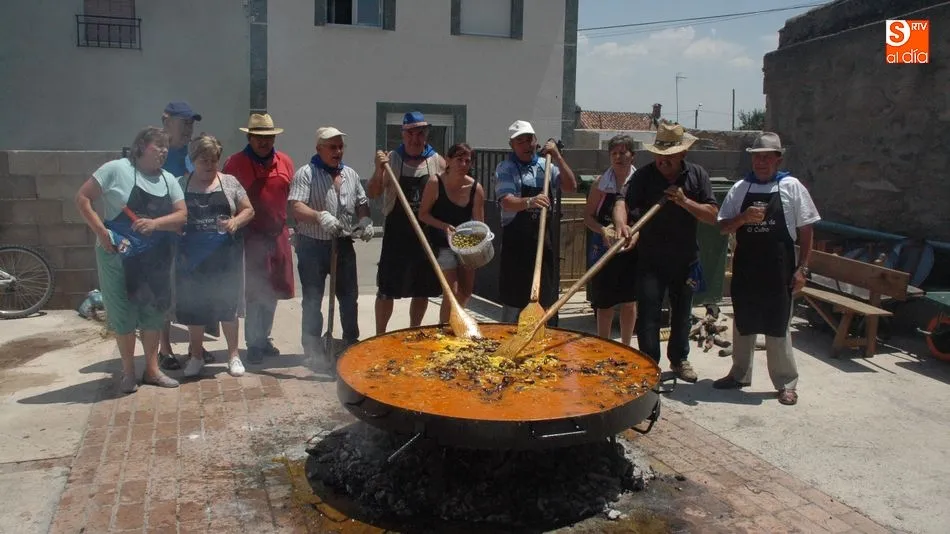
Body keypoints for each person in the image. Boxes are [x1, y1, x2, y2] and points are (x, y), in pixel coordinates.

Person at [75, 127, 187, 393]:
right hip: (118, 255)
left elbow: (182, 215)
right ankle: (128, 373)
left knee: (152, 313)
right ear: (140, 147)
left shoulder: (168, 179)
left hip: (155, 257)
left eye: (166, 147)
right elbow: (82, 198)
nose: (163, 151)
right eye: (157, 146)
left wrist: (156, 223)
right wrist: (101, 232)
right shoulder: (116, 169)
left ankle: (152, 370)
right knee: (124, 314)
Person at [713, 132, 820, 406]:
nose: (761, 162)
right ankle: (738, 374)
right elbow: (723, 226)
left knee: (778, 325)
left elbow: (806, 229)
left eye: (767, 157)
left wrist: (803, 269)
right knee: (744, 322)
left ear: (778, 159)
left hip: (779, 267)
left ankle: (786, 383)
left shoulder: (792, 187)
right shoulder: (739, 188)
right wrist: (744, 218)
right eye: (757, 157)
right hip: (747, 266)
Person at [612, 123, 718, 383]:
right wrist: (623, 225)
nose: (663, 161)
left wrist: (685, 201)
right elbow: (622, 201)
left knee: (682, 313)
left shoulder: (697, 176)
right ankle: (649, 364)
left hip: (685, 259)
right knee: (648, 314)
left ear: (682, 154)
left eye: (669, 156)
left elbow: (713, 216)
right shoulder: (644, 177)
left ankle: (680, 359)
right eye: (659, 155)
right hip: (651, 259)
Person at [289, 126, 373, 372]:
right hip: (312, 245)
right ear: (319, 149)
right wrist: (319, 216)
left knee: (349, 299)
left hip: (343, 244)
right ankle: (313, 348)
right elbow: (296, 207)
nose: (338, 151)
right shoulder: (306, 174)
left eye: (340, 146)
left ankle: (349, 344)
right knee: (313, 300)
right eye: (332, 147)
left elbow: (362, 203)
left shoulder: (351, 174)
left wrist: (366, 221)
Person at [176, 135, 255, 379]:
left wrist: (235, 221)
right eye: (203, 160)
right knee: (195, 308)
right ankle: (197, 357)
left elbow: (249, 210)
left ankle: (233, 356)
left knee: (227, 307)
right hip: (192, 260)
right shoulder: (181, 184)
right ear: (193, 160)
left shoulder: (229, 182)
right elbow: (173, 215)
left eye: (213, 160)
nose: (209, 165)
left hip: (225, 258)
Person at [222, 113, 295, 363]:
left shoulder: (285, 161)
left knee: (272, 290)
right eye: (259, 138)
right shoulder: (234, 163)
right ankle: (253, 343)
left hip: (278, 235)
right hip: (250, 237)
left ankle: (264, 338)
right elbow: (226, 200)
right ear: (249, 137)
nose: (265, 142)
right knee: (255, 291)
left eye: (269, 137)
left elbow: (290, 196)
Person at [367, 112, 445, 334]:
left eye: (420, 133)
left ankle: (413, 331)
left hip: (425, 234)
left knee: (421, 289)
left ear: (426, 135)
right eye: (410, 133)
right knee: (386, 289)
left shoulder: (437, 162)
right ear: (403, 134)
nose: (415, 138)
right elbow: (373, 192)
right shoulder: (391, 159)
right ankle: (379, 334)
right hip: (396, 234)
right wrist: (378, 168)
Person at [495, 120, 577, 325]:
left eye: (529, 140)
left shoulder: (546, 165)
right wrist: (530, 201)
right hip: (516, 247)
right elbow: (506, 202)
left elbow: (570, 186)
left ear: (536, 141)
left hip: (543, 245)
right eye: (520, 141)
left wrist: (557, 156)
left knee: (544, 301)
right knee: (513, 304)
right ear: (512, 145)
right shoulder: (506, 168)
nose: (526, 145)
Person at [418, 143, 486, 325]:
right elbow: (423, 214)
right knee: (452, 292)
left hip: (466, 245)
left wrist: (479, 244)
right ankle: (443, 329)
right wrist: (444, 226)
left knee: (466, 292)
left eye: (467, 161)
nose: (464, 164)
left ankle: (454, 323)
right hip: (442, 244)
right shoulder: (435, 183)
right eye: (459, 159)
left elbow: (480, 224)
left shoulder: (476, 189)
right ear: (448, 160)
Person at [158, 101, 203, 370]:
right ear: (166, 121)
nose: (189, 129)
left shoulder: (190, 155)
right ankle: (164, 349)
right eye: (184, 122)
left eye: (191, 124)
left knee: (192, 293)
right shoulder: (157, 153)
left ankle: (195, 347)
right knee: (164, 295)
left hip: (190, 237)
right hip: (163, 238)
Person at [584, 134, 637, 345]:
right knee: (603, 303)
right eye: (614, 153)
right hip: (603, 249)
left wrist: (634, 232)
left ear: (632, 156)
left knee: (629, 302)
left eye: (623, 153)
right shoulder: (600, 184)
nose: (618, 157)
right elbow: (587, 217)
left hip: (631, 250)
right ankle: (603, 346)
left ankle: (625, 347)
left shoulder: (639, 183)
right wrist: (602, 230)